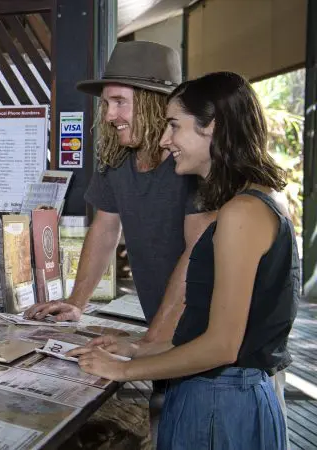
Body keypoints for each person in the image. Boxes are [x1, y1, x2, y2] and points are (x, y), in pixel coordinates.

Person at [69, 71, 298, 450]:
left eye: (174, 125)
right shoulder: (253, 202)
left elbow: (222, 347)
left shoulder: (242, 212)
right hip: (214, 396)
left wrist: (125, 370)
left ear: (214, 128)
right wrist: (136, 346)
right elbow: (209, 332)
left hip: (220, 403)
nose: (165, 139)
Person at [24, 41, 215, 438]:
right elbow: (105, 229)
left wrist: (147, 343)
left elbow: (198, 258)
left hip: (209, 338)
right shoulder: (116, 161)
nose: (110, 115)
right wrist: (77, 303)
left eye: (119, 103)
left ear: (150, 102)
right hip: (160, 330)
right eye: (107, 104)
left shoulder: (194, 163)